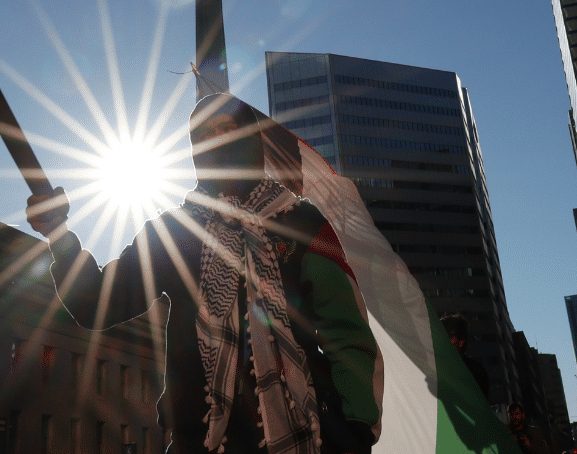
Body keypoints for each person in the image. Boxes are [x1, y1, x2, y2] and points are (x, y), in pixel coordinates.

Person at [26, 93, 381, 454]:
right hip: (200, 439)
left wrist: (357, 429)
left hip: (312, 437)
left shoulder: (304, 225)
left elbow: (347, 333)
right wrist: (59, 235)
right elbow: (97, 303)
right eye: (202, 138)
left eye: (226, 129)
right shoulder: (173, 234)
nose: (216, 143)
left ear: (253, 138)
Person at [439, 313, 491, 399]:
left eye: (448, 335)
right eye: (440, 333)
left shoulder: (475, 370)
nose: (443, 338)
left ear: (461, 341)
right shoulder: (432, 366)